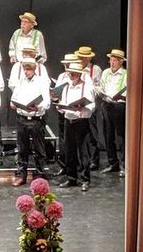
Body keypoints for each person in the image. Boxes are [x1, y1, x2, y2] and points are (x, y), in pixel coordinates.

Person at [9, 58, 51, 186]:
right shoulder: (21, 82)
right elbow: (14, 98)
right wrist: (13, 104)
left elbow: (47, 102)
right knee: (22, 149)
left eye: (28, 69)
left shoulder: (41, 82)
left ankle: (39, 175)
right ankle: (22, 175)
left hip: (36, 119)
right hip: (22, 118)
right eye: (24, 69)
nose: (26, 72)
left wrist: (38, 107)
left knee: (39, 149)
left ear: (33, 69)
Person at [57, 62, 95, 191]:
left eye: (74, 73)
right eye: (70, 73)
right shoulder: (67, 87)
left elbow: (92, 105)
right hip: (69, 121)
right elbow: (63, 102)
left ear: (79, 74)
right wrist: (60, 107)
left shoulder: (85, 87)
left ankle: (85, 180)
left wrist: (82, 108)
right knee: (69, 152)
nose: (71, 75)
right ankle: (71, 178)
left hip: (81, 122)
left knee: (83, 152)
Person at [98, 49, 127, 177]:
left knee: (121, 136)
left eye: (115, 60)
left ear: (121, 62)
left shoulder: (125, 74)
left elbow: (128, 92)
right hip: (106, 105)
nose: (112, 63)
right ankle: (112, 163)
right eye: (111, 60)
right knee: (108, 134)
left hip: (119, 106)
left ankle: (123, 165)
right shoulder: (105, 73)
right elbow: (101, 88)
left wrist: (120, 97)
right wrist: (101, 93)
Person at [75, 46, 103, 170]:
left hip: (90, 104)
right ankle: (81, 160)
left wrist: (89, 86)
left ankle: (94, 160)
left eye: (84, 58)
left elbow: (99, 87)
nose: (81, 60)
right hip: (78, 105)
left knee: (92, 133)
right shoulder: (76, 68)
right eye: (80, 57)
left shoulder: (95, 69)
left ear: (89, 58)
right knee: (80, 134)